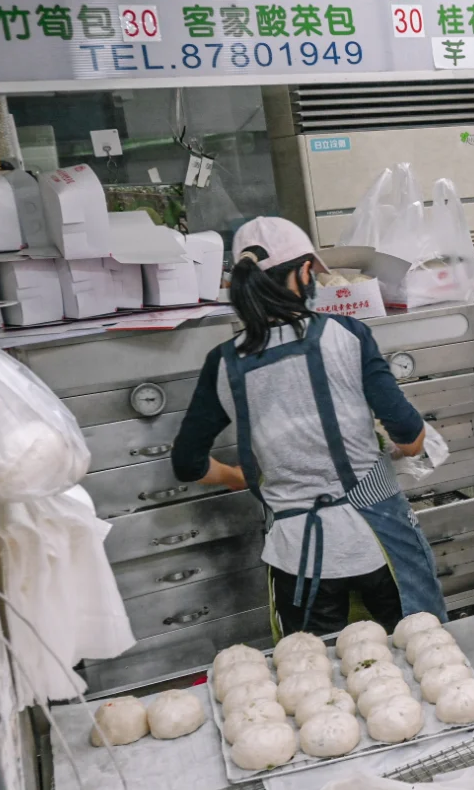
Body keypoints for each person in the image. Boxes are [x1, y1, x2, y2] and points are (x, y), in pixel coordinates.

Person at [171, 217, 446, 636]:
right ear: (302, 273)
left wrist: (235, 476)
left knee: (321, 683)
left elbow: (187, 462)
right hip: (377, 542)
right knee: (426, 656)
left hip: (298, 559)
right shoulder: (347, 335)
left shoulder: (224, 363)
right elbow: (410, 439)